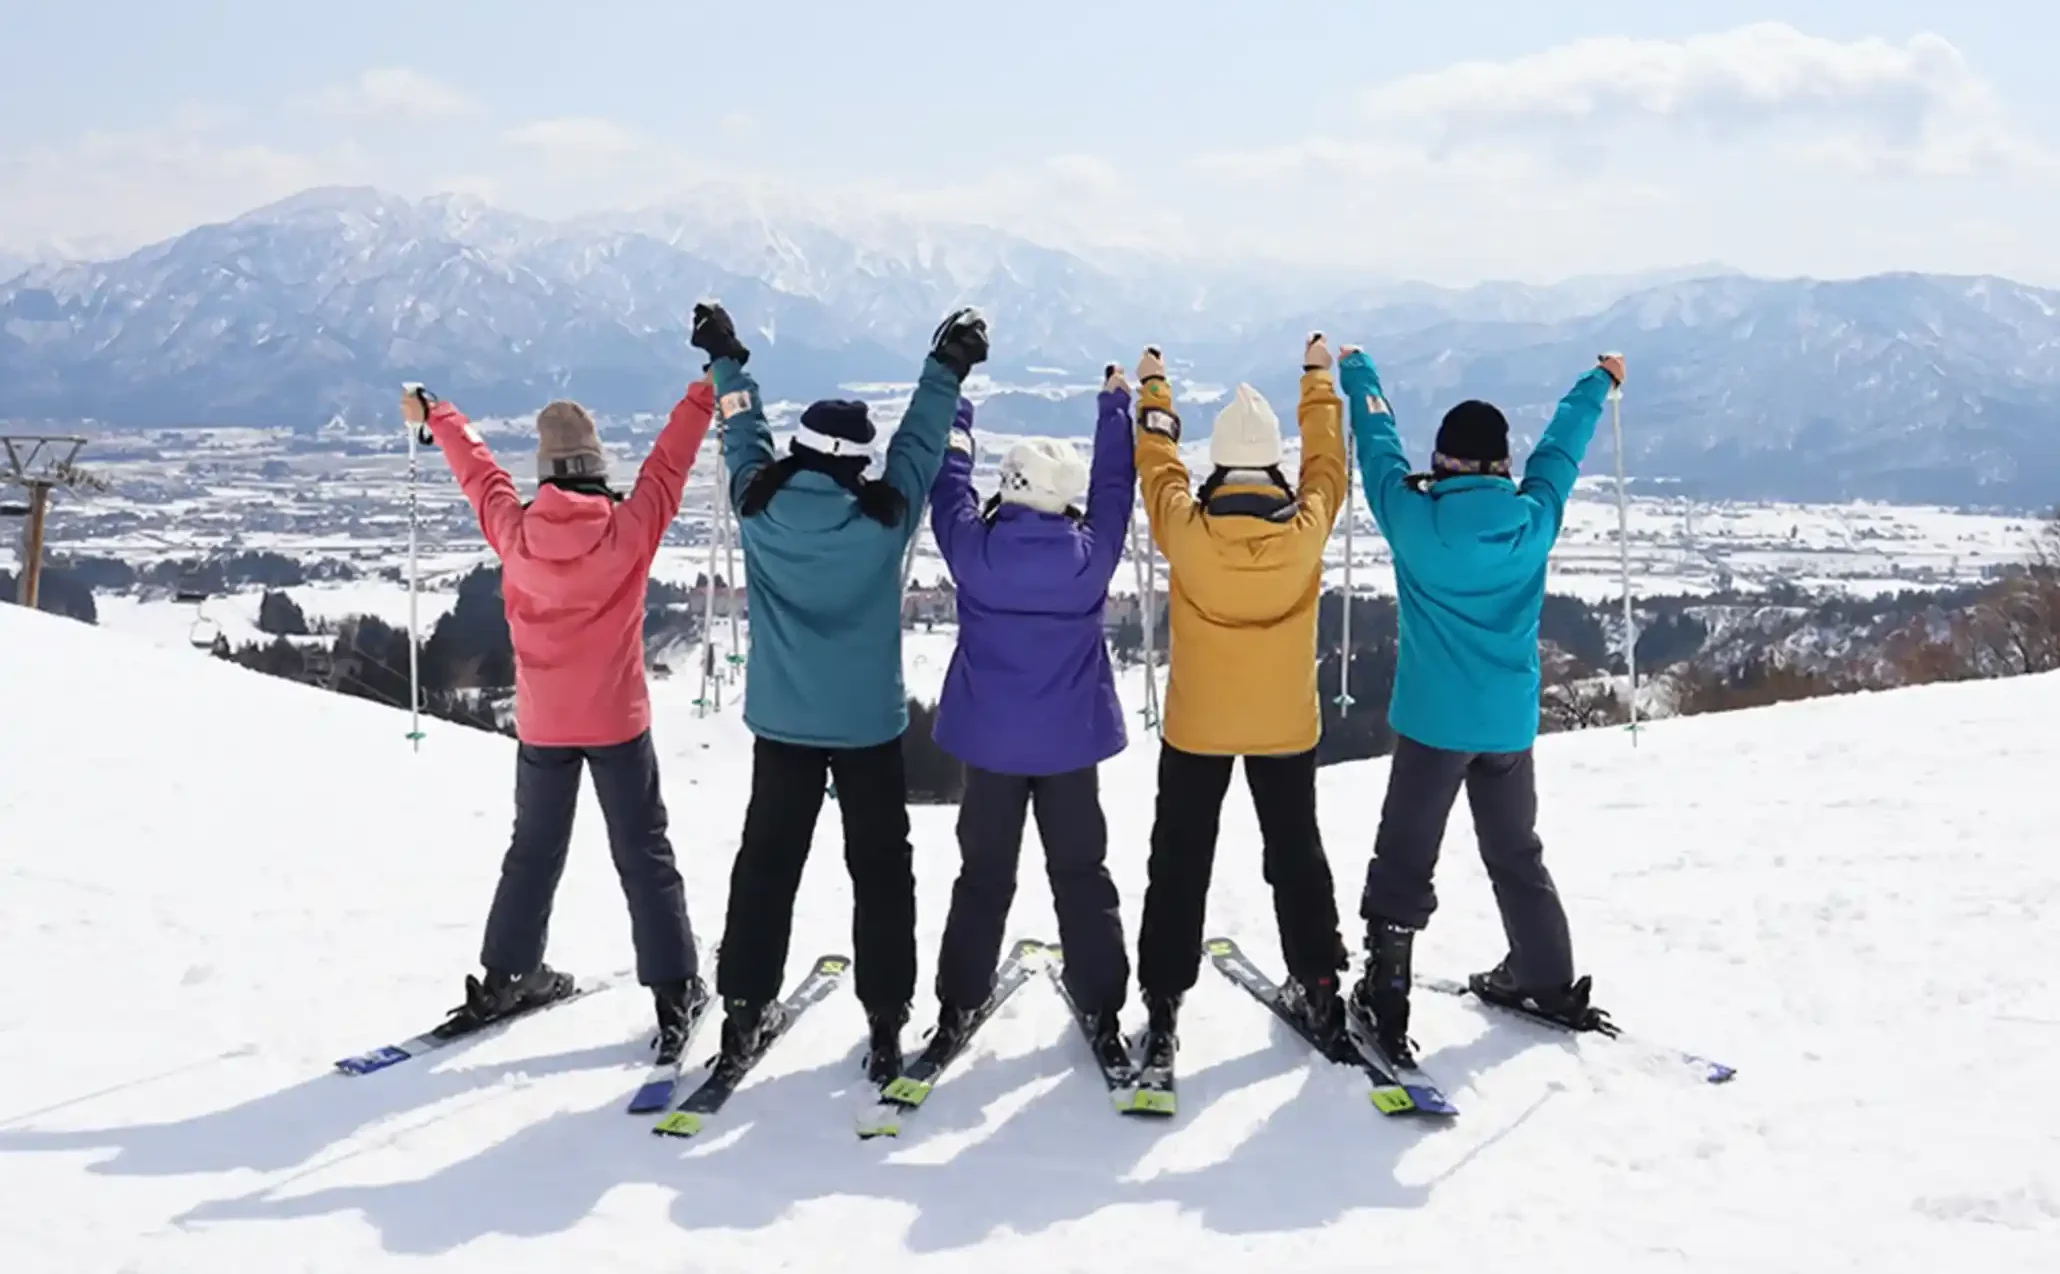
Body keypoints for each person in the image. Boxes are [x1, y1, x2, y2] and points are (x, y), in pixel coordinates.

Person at [692, 300, 990, 1084]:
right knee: (882, 872)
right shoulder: (882, 520)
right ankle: (886, 1019)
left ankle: (743, 1012)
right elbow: (922, 443)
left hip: (783, 723)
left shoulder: (757, 505)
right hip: (866, 728)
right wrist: (947, 365)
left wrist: (728, 357)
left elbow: (742, 432)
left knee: (767, 867)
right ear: (857, 460)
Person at [402, 374, 715, 1062]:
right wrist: (705, 391)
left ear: (544, 475)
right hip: (616, 722)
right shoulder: (629, 532)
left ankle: (508, 973)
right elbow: (671, 461)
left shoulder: (515, 532)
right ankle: (674, 988)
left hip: (542, 724)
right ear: (598, 468)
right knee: (643, 853)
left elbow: (478, 475)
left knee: (534, 850)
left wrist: (438, 416)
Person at [1337, 345, 1627, 1066]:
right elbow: (1562, 448)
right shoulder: (1534, 521)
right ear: (1502, 463)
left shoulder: (1413, 517)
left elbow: (1375, 442)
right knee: (1515, 851)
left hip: (1434, 723)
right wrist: (1599, 380)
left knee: (1405, 857)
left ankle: (1386, 992)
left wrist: (1357, 372)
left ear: (1442, 462)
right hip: (1507, 723)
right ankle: (1546, 977)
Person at [1131, 336, 1352, 1069]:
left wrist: (1154, 387)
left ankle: (1162, 1004)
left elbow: (1157, 461)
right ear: (1274, 463)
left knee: (1181, 860)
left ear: (1221, 462)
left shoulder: (1187, 533)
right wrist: (1318, 378)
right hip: (1286, 724)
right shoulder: (1305, 529)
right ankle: (1319, 982)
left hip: (1199, 725)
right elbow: (1328, 466)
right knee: (1296, 853)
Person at [922, 362, 1137, 1073]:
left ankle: (958, 1000)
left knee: (983, 875)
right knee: (1081, 872)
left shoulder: (973, 550)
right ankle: (1104, 1003)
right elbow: (1116, 488)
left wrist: (956, 423)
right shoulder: (1089, 558)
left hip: (989, 746)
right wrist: (1115, 407)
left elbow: (946, 487)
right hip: (1069, 744)